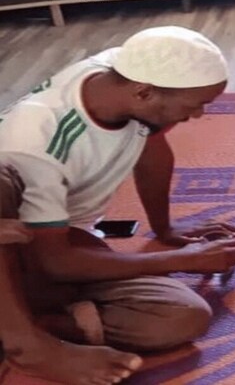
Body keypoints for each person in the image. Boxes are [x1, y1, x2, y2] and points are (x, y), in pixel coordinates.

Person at [0, 26, 235, 355]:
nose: (199, 115)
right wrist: (179, 260)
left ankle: (50, 319)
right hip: (21, 255)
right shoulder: (35, 141)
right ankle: (29, 334)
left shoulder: (122, 77)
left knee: (185, 315)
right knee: (167, 315)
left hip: (62, 236)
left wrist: (165, 229)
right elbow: (56, 262)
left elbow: (150, 149)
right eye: (196, 105)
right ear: (144, 93)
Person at [0, 165, 141, 385]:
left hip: (32, 273)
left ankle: (38, 324)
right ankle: (25, 344)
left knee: (177, 317)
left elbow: (56, 256)